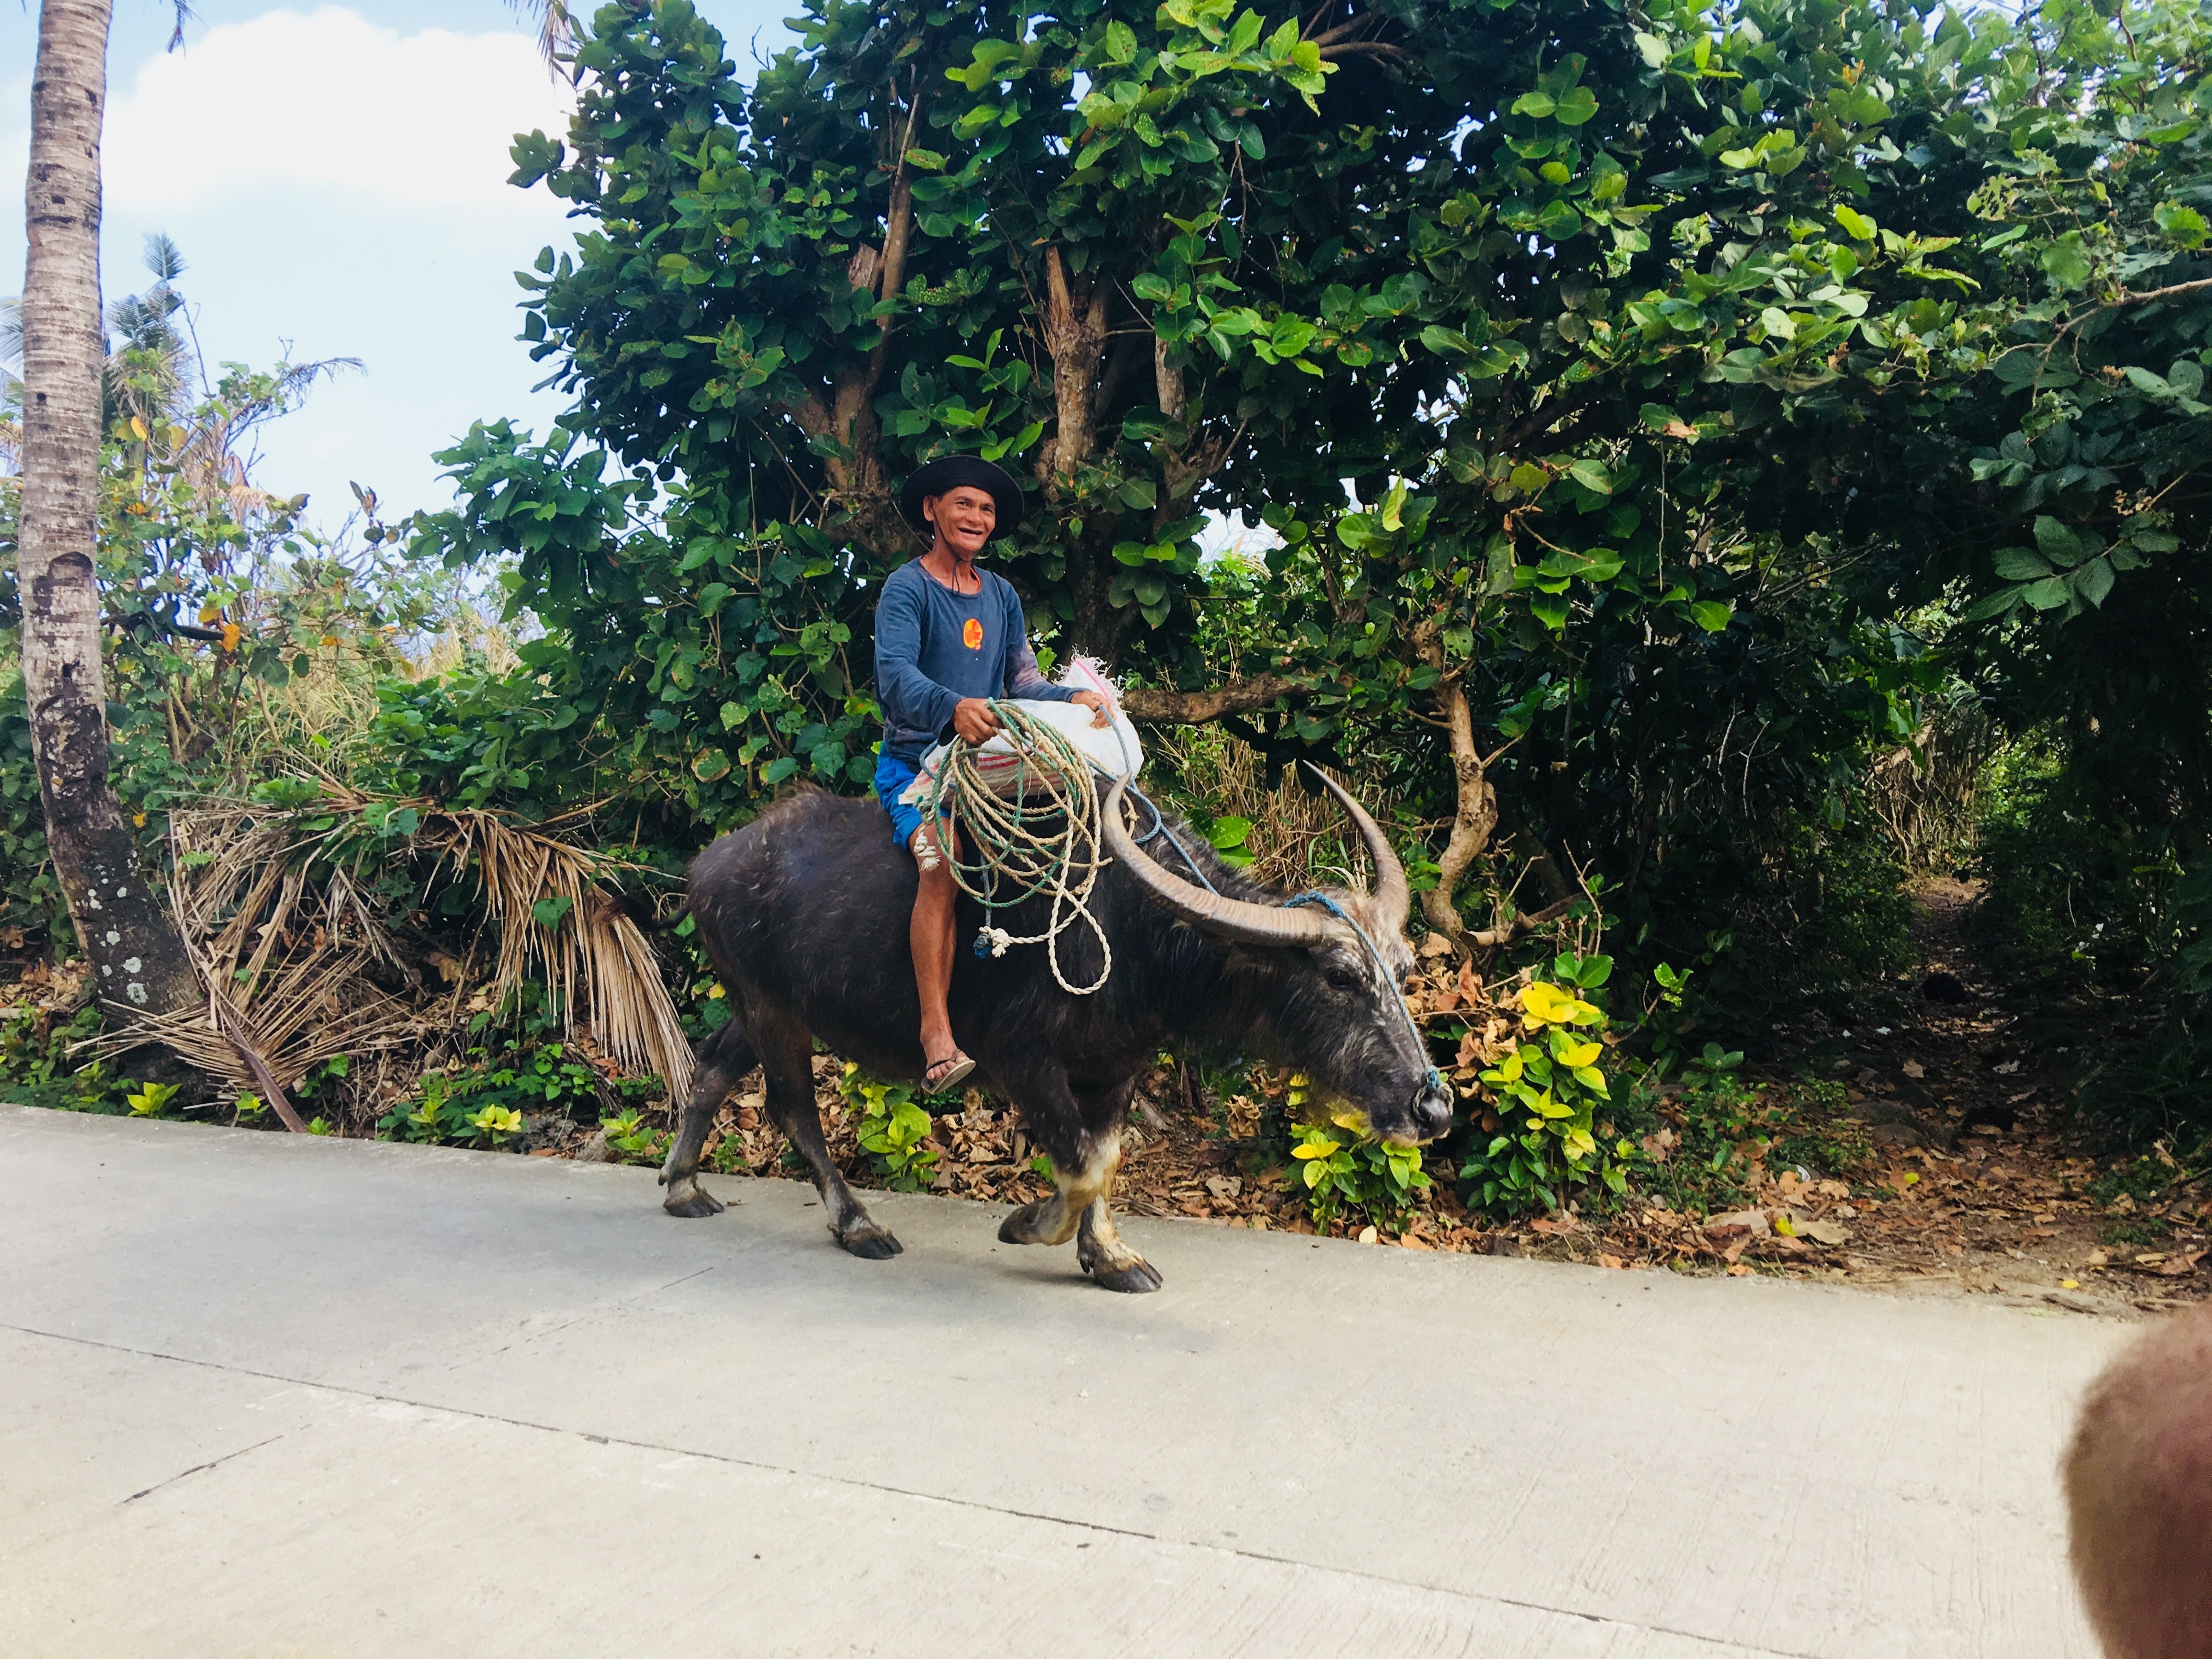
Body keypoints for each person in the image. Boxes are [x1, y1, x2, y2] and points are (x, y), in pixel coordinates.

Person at [874, 455, 1111, 1092]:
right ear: (932, 510)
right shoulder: (907, 589)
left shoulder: (1001, 595)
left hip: (992, 765)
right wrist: (952, 708)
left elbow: (1023, 680)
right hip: (918, 763)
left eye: (986, 510)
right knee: (941, 861)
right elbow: (896, 678)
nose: (976, 517)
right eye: (963, 504)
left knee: (1080, 828)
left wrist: (1073, 700)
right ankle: (935, 1035)